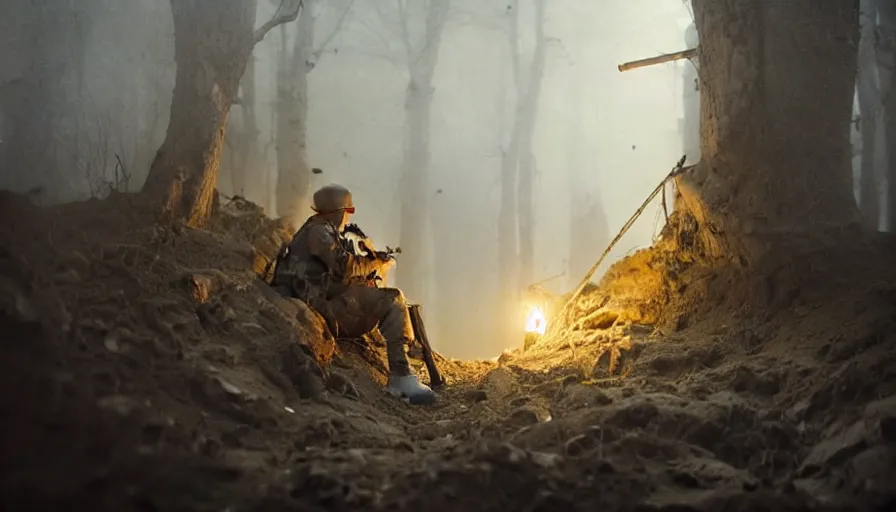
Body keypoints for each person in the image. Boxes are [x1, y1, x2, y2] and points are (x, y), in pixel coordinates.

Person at [271, 184, 437, 405]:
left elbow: (331, 275)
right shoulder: (319, 232)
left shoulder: (318, 230)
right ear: (340, 211)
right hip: (320, 310)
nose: (348, 219)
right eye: (349, 212)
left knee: (374, 291)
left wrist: (366, 274)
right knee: (394, 300)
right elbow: (345, 267)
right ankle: (401, 376)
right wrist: (378, 263)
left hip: (317, 302)